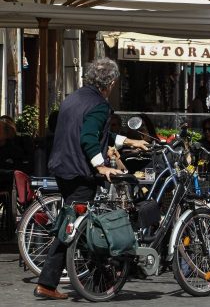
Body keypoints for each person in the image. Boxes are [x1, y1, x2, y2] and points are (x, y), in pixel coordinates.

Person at [35, 58, 148, 300]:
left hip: (62, 167)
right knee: (72, 228)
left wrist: (129, 141)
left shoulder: (73, 98)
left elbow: (97, 133)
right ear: (112, 82)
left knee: (76, 226)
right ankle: (47, 282)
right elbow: (88, 137)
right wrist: (102, 167)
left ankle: (101, 276)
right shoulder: (99, 104)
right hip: (79, 171)